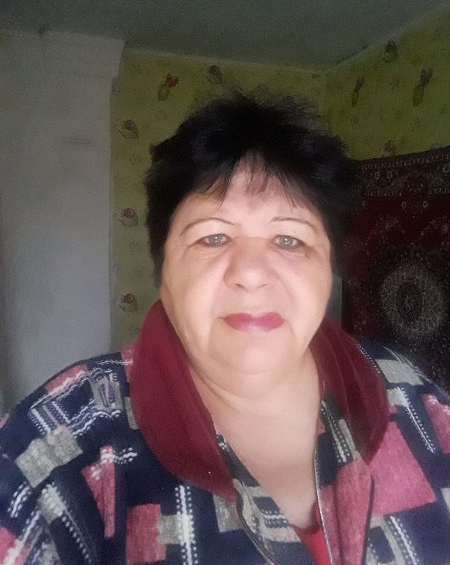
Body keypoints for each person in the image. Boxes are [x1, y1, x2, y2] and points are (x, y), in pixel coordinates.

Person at [1, 93, 450, 565]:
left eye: (289, 239)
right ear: (163, 271)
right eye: (213, 237)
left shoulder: (415, 398)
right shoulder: (59, 445)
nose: (251, 273)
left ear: (329, 271)